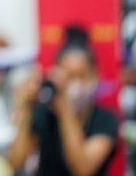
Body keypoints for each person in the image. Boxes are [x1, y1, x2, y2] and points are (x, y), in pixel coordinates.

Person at [7, 25, 119, 176]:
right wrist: (26, 107)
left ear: (95, 73)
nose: (76, 84)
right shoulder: (44, 112)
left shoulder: (105, 119)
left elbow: (82, 170)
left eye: (82, 76)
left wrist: (65, 110)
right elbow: (16, 162)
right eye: (69, 76)